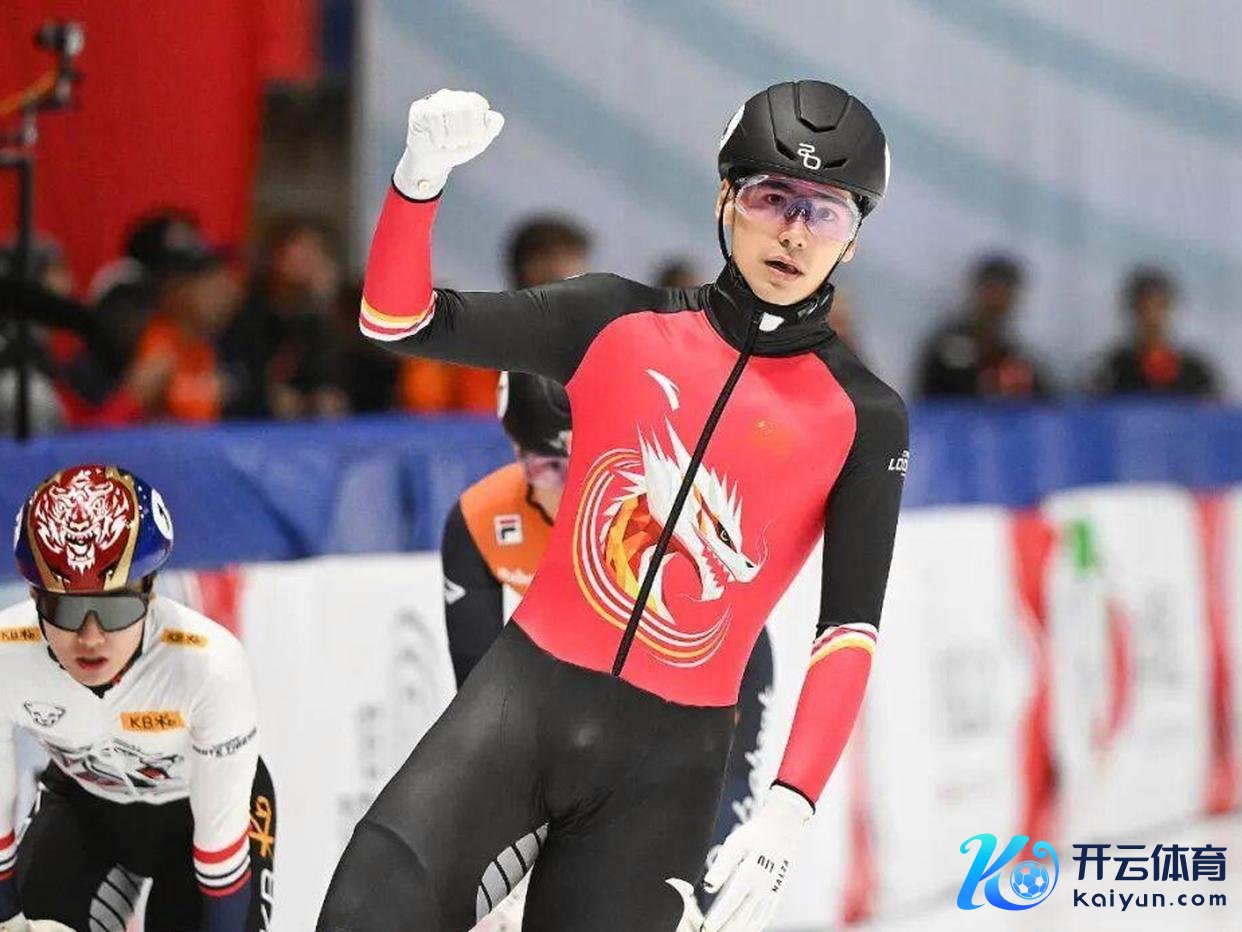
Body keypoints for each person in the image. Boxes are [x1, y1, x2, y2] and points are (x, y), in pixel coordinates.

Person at [321, 80, 907, 932]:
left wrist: (790, 804)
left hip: (666, 774)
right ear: (725, 198)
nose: (793, 231)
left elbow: (847, 630)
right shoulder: (612, 321)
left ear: (852, 240)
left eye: (825, 212)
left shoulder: (864, 416)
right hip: (521, 708)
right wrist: (418, 181)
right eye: (771, 197)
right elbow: (397, 320)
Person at [441, 372, 775, 929]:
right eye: (549, 466)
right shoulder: (481, 521)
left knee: (689, 893)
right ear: (517, 453)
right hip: (589, 691)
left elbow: (705, 686)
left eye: (585, 460)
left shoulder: (666, 513)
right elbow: (481, 710)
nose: (570, 486)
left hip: (707, 673)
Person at [1, 464, 275, 932]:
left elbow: (221, 855)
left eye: (115, 608)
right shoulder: (7, 653)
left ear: (150, 593)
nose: (91, 638)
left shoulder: (210, 665)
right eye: (66, 608)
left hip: (203, 817)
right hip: (85, 808)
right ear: (34, 598)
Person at [396, 215, 591, 413]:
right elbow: (426, 407)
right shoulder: (476, 336)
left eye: (572, 261)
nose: (565, 270)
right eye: (554, 259)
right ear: (528, 268)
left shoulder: (594, 342)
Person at [222, 217, 349, 420]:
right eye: (300, 248)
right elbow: (234, 377)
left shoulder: (317, 317)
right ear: (274, 254)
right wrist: (265, 397)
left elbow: (331, 378)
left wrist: (323, 396)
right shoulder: (243, 310)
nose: (308, 259)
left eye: (316, 250)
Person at [915, 253, 1053, 399]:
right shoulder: (944, 350)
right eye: (991, 290)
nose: (996, 300)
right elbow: (927, 399)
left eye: (1004, 293)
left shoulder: (1018, 361)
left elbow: (1047, 402)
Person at [1089, 265, 1219, 397]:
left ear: (1170, 309)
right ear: (1132, 310)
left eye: (1159, 306)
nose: (1152, 316)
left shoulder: (1194, 372)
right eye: (1144, 307)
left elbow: (1216, 404)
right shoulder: (1114, 371)